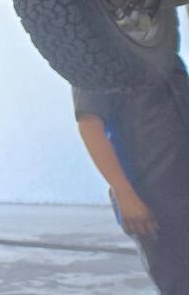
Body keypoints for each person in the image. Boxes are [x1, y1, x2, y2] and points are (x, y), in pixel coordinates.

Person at [74, 58, 189, 292]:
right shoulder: (94, 56)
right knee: (179, 281)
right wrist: (124, 195)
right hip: (154, 198)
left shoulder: (164, 55)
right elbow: (89, 126)